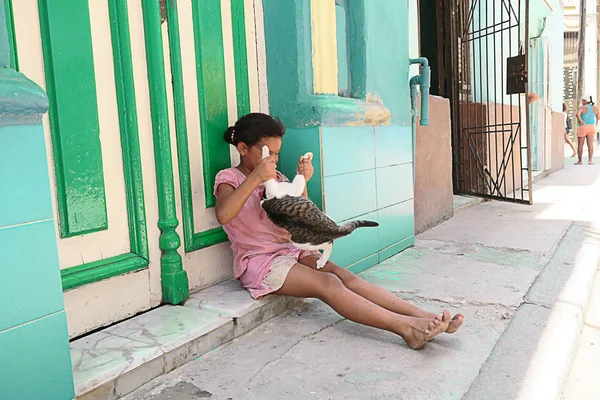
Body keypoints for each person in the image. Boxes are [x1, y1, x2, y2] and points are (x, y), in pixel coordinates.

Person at [214, 113, 464, 350]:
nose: (274, 160)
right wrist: (256, 176)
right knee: (328, 283)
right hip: (261, 263)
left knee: (346, 276)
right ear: (244, 149)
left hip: (291, 252)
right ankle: (407, 329)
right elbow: (224, 214)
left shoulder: (276, 177)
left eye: (277, 153)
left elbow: (299, 213)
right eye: (267, 152)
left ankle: (424, 316)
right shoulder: (230, 178)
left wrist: (302, 181)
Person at [575, 94, 600, 165]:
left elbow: (577, 114)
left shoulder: (582, 107)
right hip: (591, 127)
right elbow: (598, 117)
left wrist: (581, 120)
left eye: (583, 100)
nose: (582, 101)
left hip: (583, 127)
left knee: (580, 144)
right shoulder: (595, 108)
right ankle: (590, 160)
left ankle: (580, 161)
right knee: (590, 144)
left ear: (585, 101)